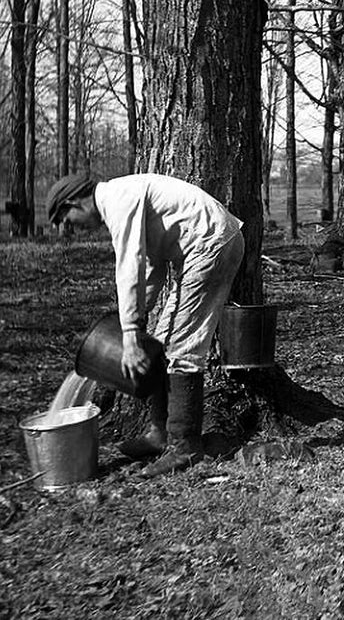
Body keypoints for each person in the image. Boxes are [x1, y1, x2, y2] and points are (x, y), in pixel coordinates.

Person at [44, 171, 244, 478]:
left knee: (183, 347)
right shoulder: (122, 198)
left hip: (211, 244)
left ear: (75, 202)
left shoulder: (118, 200)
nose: (77, 231)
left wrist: (131, 335)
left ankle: (185, 447)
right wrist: (133, 323)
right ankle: (160, 432)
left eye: (70, 222)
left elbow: (129, 266)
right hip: (197, 249)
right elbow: (152, 269)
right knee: (162, 341)